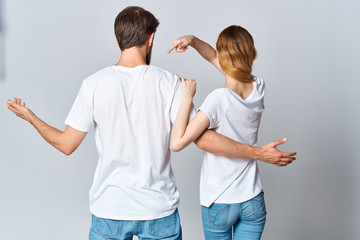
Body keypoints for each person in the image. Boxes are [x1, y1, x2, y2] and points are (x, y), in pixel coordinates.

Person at [7, 6, 296, 240]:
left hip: (109, 211)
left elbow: (66, 144)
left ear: (117, 39)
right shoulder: (172, 84)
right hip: (159, 212)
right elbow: (203, 138)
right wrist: (257, 152)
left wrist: (31, 117)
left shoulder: (93, 84)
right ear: (151, 39)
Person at [167, 27, 283, 239]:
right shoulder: (258, 87)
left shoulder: (217, 99)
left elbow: (177, 143)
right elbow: (213, 56)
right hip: (253, 199)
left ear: (222, 56)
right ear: (250, 54)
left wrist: (187, 97)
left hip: (219, 201)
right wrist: (191, 40)